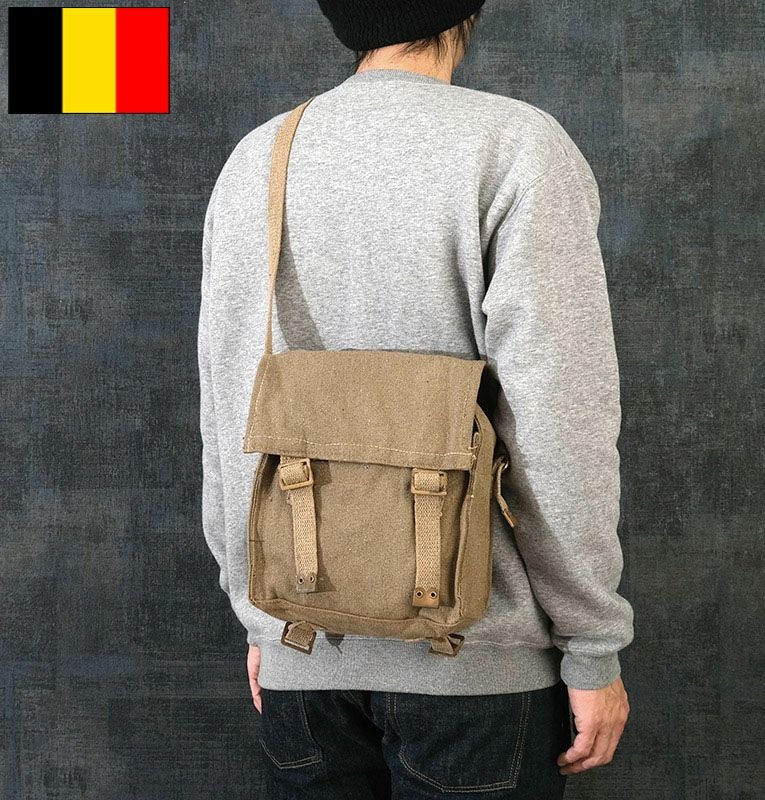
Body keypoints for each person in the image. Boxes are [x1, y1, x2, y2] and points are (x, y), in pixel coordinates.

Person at [198, 1, 634, 796]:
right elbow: (560, 428)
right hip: (478, 665)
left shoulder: (257, 157)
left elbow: (231, 413)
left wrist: (258, 611)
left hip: (304, 652)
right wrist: (593, 645)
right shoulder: (516, 147)